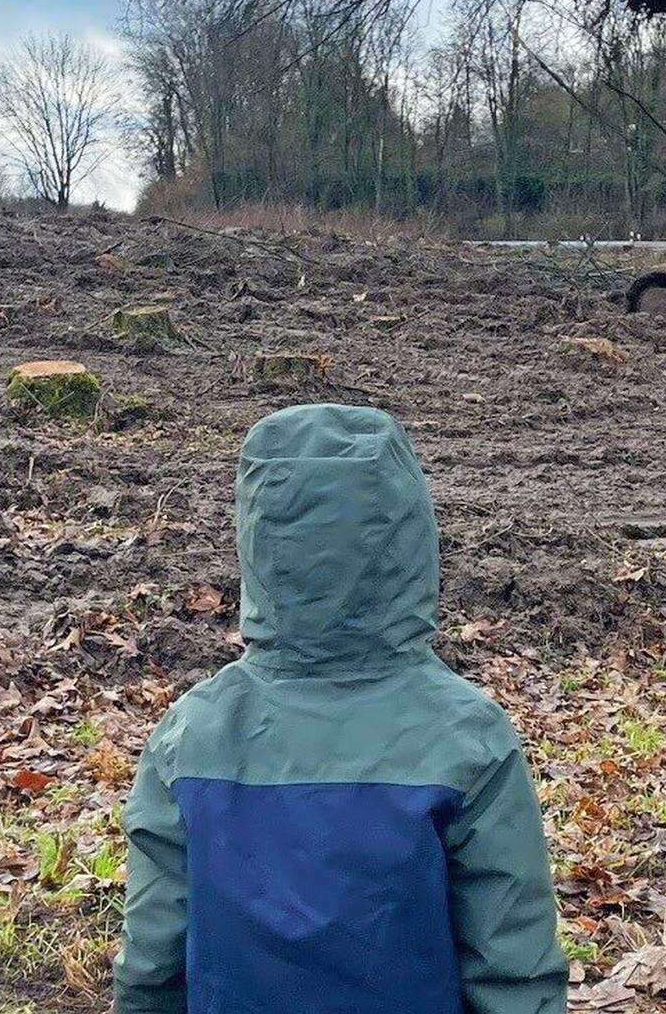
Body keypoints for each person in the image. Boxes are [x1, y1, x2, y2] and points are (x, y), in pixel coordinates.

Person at [113, 403, 567, 1014]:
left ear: (256, 540)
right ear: (410, 537)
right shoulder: (466, 735)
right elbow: (511, 959)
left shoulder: (194, 731)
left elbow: (152, 951)